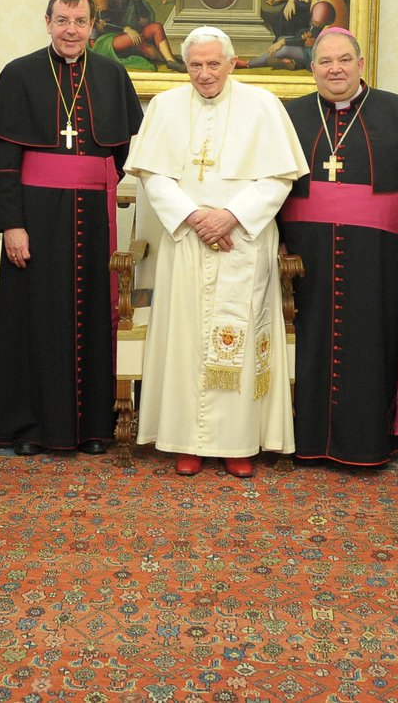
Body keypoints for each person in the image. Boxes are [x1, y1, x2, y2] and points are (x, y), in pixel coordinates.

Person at [127, 26, 308, 477]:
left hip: (243, 240)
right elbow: (153, 176)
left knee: (242, 342)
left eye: (213, 64)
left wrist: (229, 216)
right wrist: (194, 217)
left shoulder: (263, 106)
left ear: (231, 63)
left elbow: (278, 178)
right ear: (185, 66)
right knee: (185, 340)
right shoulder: (166, 107)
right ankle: (185, 440)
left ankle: (239, 443)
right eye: (195, 65)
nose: (204, 74)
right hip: (187, 240)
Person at [0, 0, 143, 455]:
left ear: (94, 25)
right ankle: (31, 427)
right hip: (36, 215)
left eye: (80, 21)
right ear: (47, 21)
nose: (71, 30)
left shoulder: (112, 74)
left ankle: (92, 427)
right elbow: (6, 160)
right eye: (62, 21)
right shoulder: (19, 74)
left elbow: (124, 152)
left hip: (94, 216)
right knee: (35, 316)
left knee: (94, 312)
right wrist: (11, 224)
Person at [278, 29, 398, 465]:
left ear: (361, 63)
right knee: (309, 341)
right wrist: (274, 240)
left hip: (377, 253)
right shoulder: (286, 115)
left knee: (372, 342)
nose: (336, 69)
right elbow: (267, 183)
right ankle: (305, 439)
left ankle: (369, 438)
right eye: (326, 61)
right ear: (312, 68)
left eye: (344, 60)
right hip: (304, 251)